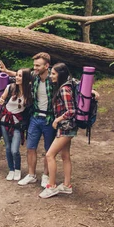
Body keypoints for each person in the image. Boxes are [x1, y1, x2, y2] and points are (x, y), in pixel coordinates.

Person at [0, 52, 55, 188]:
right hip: (35, 117)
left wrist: (91, 91)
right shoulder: (34, 77)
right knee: (30, 148)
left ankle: (46, 176)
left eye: (37, 65)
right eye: (34, 65)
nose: (34, 68)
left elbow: (70, 82)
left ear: (46, 66)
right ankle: (31, 175)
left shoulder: (54, 77)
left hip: (49, 118)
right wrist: (7, 71)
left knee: (48, 150)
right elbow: (21, 76)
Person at [39, 62, 79, 198]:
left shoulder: (64, 89)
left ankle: (51, 186)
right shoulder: (67, 85)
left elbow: (71, 110)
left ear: (61, 74)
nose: (51, 76)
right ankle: (67, 186)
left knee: (50, 155)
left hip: (66, 127)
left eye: (54, 74)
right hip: (68, 127)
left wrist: (57, 119)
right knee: (65, 155)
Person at [0, 68, 33, 181]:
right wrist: (0, 101)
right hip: (5, 120)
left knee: (15, 150)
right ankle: (11, 170)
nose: (17, 77)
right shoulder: (10, 87)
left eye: (20, 76)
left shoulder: (29, 92)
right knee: (7, 147)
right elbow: (1, 99)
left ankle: (17, 169)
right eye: (17, 75)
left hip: (17, 123)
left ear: (26, 78)